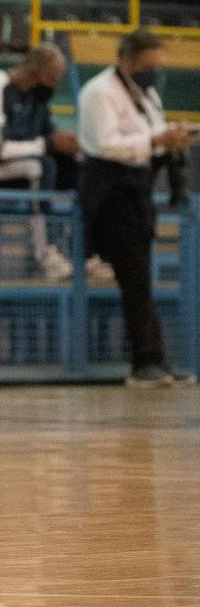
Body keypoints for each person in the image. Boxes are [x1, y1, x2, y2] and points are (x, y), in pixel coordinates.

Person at [76, 29, 195, 387]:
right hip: (111, 193)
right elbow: (107, 145)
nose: (151, 73)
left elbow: (151, 137)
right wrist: (156, 139)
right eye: (145, 66)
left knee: (142, 278)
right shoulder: (99, 92)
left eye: (155, 66)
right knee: (135, 279)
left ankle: (153, 358)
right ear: (123, 59)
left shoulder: (147, 93)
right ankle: (145, 361)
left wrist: (170, 139)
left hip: (138, 191)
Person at [0, 42, 81, 281]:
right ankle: (44, 255)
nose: (53, 85)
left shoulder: (36, 98)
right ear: (34, 71)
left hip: (8, 169)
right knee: (40, 168)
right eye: (51, 78)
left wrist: (67, 146)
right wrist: (49, 144)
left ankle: (83, 254)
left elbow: (47, 135)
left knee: (77, 170)